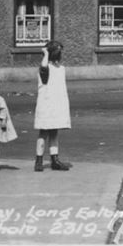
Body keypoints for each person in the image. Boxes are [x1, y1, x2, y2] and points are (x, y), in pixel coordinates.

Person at [33, 40, 72, 172]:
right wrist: (45, 54)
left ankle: (54, 159)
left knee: (54, 133)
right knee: (43, 132)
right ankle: (39, 160)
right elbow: (44, 67)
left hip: (57, 103)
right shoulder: (44, 67)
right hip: (46, 104)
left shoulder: (62, 69)